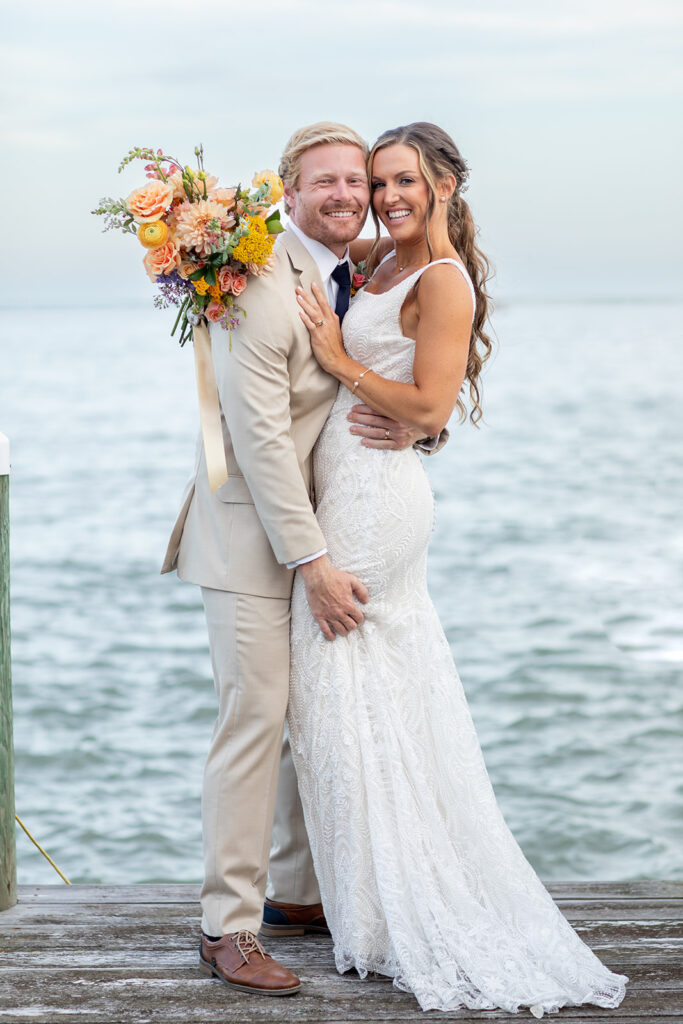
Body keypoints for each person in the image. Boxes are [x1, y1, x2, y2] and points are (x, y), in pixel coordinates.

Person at [288, 121, 629, 1017]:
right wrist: (197, 238)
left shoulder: (441, 281)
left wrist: (336, 362)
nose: (386, 196)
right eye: (377, 182)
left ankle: (389, 906)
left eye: (403, 181)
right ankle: (359, 897)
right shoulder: (379, 257)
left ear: (443, 184)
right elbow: (303, 227)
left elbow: (431, 401)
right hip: (349, 484)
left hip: (373, 500)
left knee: (344, 682)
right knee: (356, 698)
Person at [161, 121, 446, 996]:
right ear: (286, 193)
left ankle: (295, 893)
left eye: (355, 184)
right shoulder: (255, 286)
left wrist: (419, 426)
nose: (346, 197)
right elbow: (255, 438)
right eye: (324, 183)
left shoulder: (341, 270)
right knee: (253, 726)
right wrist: (313, 560)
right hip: (253, 536)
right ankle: (227, 928)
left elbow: (392, 372)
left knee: (302, 717)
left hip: (314, 527)